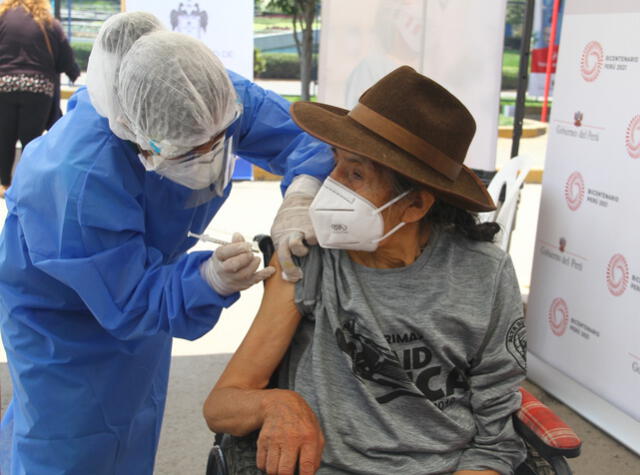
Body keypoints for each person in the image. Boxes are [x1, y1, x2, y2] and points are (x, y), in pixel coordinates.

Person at [0, 12, 332, 475]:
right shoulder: (77, 179)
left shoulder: (205, 95)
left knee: (134, 418)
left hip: (145, 278)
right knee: (68, 437)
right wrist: (208, 279)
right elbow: (132, 300)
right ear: (139, 138)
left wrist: (301, 195)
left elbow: (306, 137)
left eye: (219, 140)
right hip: (64, 311)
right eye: (189, 153)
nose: (213, 157)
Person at [204, 66, 527, 474]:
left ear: (416, 205)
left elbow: (495, 442)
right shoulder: (309, 257)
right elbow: (222, 405)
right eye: (335, 164)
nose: (330, 184)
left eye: (355, 174)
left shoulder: (484, 274)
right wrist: (278, 403)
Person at [0, 0, 80, 198]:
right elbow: (66, 60)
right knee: (31, 140)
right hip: (38, 89)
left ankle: (4, 184)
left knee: (4, 137)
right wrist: (74, 73)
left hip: (4, 85)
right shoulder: (49, 23)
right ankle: (27, 184)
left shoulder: (2, 18)